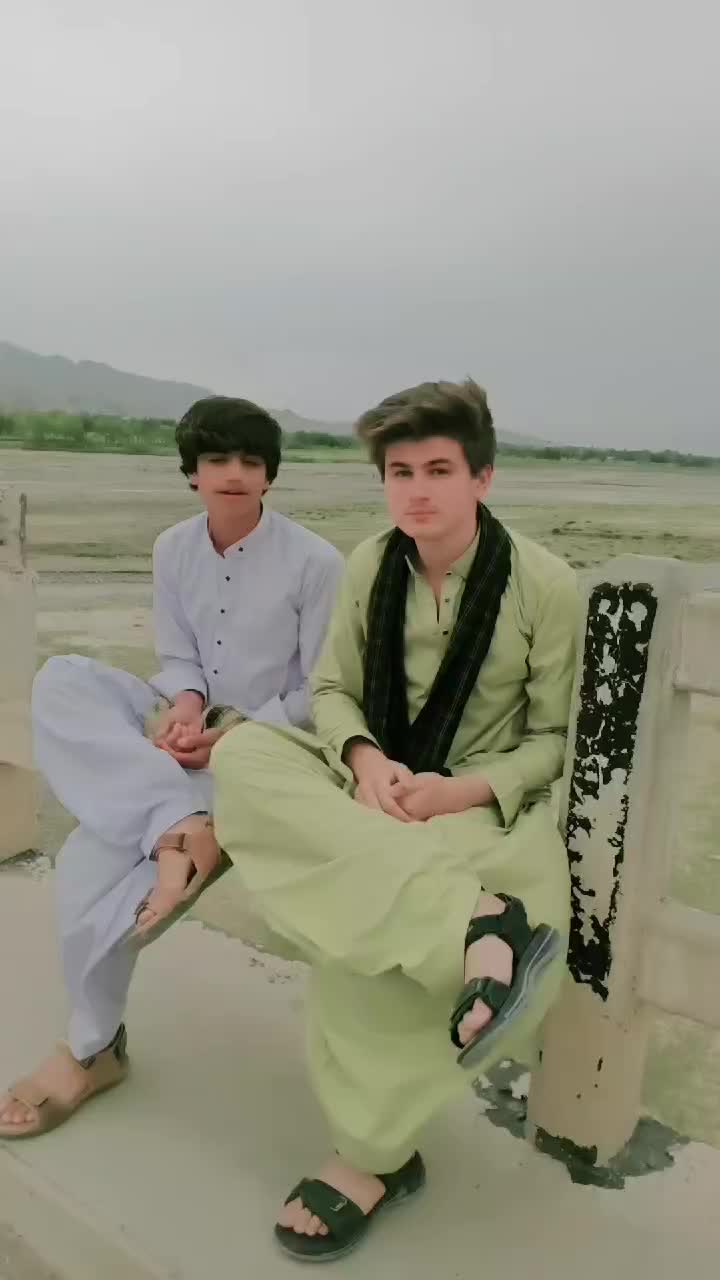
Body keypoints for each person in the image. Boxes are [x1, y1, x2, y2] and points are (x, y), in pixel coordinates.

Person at [209, 378, 579, 1262]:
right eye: (400, 473)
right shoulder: (371, 565)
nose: (417, 491)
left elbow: (551, 740)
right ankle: (474, 925)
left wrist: (460, 790)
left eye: (439, 470)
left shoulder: (545, 585)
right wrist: (366, 761)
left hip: (469, 806)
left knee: (363, 929)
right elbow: (333, 689)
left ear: (482, 478)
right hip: (371, 786)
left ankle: (372, 1157)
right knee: (243, 754)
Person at [0, 395, 344, 1139]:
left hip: (261, 749)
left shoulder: (316, 563)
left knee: (104, 886)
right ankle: (174, 822)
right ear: (192, 472)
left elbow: (321, 693)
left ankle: (88, 1049)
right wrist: (186, 707)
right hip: (176, 740)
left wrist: (227, 737)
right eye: (217, 459)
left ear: (270, 475)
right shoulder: (172, 548)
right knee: (63, 680)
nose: (234, 473)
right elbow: (179, 655)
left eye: (250, 460)